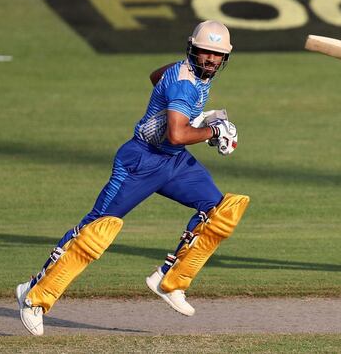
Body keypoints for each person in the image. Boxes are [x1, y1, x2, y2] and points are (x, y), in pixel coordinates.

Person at [15, 20, 249, 336]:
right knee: (96, 230)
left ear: (225, 58)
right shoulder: (185, 83)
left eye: (216, 54)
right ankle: (34, 295)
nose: (210, 59)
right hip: (141, 161)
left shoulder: (186, 74)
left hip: (173, 161)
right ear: (192, 49)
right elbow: (178, 134)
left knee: (219, 210)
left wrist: (198, 120)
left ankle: (169, 281)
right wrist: (214, 129)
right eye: (205, 52)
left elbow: (157, 79)